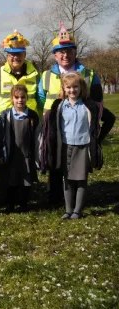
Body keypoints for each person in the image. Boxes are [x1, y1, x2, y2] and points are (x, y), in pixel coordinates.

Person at [38, 23, 104, 205]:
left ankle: (77, 201)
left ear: (75, 52)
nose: (65, 55)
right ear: (55, 55)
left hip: (81, 128)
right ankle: (55, 198)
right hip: (54, 127)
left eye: (68, 50)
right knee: (55, 160)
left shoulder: (89, 74)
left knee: (79, 165)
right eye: (60, 51)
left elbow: (98, 101)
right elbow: (41, 99)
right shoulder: (45, 76)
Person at [41, 72, 115, 220]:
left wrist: (97, 140)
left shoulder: (90, 106)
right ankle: (68, 210)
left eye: (75, 87)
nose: (72, 90)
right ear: (63, 88)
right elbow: (52, 127)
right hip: (66, 147)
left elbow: (110, 119)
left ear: (81, 87)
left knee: (81, 180)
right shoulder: (59, 106)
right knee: (67, 179)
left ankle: (78, 210)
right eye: (68, 87)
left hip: (83, 147)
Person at [0, 31, 39, 197]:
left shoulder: (34, 74)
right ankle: (6, 194)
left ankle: (25, 194)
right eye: (12, 54)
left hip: (26, 123)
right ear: (6, 55)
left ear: (25, 54)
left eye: (19, 54)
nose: (16, 58)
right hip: (2, 125)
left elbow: (39, 100)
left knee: (25, 158)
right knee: (4, 159)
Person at [0, 85, 39, 213]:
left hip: (26, 154)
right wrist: (0, 153)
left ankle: (24, 204)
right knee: (11, 180)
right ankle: (10, 204)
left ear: (27, 98)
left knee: (26, 180)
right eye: (17, 97)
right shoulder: (5, 115)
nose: (20, 100)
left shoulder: (32, 116)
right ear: (12, 99)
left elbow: (37, 136)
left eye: (23, 97)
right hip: (11, 154)